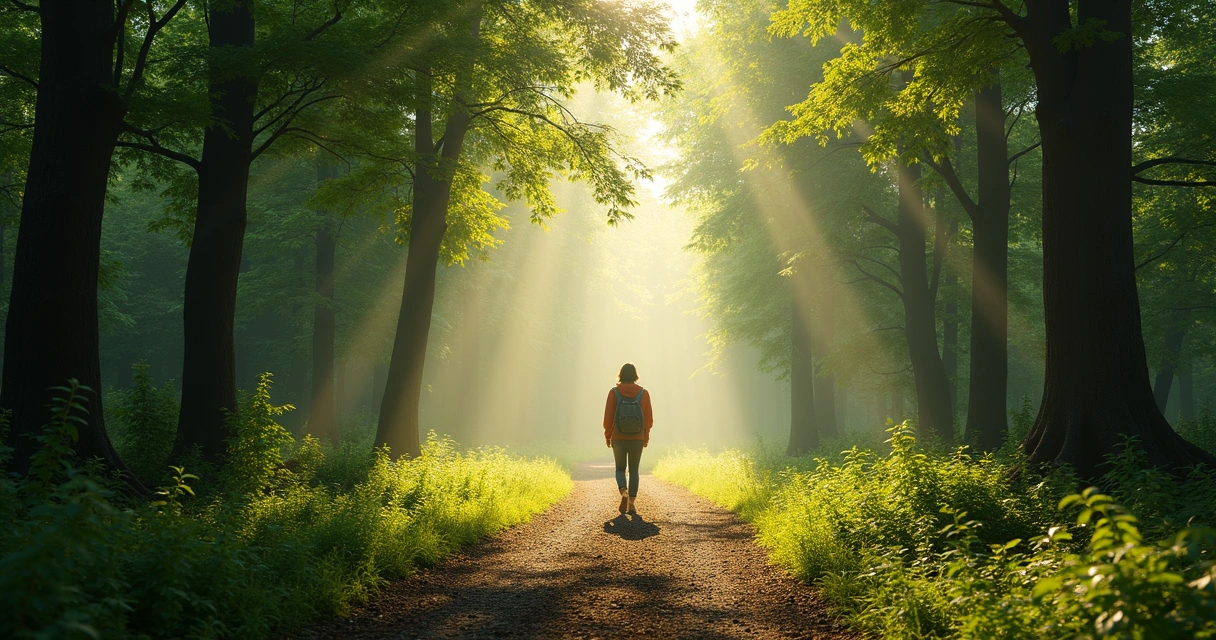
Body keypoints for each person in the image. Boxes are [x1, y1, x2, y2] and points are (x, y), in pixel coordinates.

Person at [603, 363, 653, 515]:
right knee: (634, 470)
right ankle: (631, 503)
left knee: (619, 468)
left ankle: (623, 491)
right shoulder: (643, 393)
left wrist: (608, 434)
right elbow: (649, 419)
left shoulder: (614, 392)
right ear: (635, 375)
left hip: (618, 437)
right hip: (637, 437)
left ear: (621, 375)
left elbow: (608, 417)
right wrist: (645, 437)